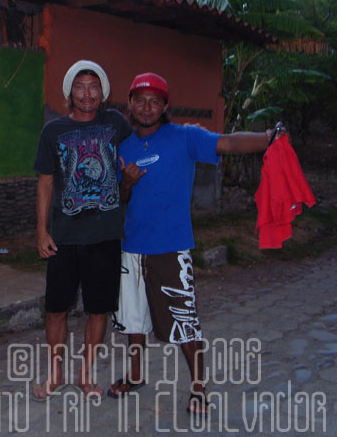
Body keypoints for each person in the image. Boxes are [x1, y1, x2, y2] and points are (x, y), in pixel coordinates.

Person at [108, 72, 283, 415]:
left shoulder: (185, 137)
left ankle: (199, 386)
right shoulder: (122, 147)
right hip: (132, 247)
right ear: (130, 104)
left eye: (154, 101)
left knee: (184, 320)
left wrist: (268, 138)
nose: (147, 107)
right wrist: (126, 183)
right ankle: (136, 374)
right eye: (140, 100)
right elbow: (121, 198)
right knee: (132, 319)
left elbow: (228, 143)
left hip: (172, 247)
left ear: (165, 106)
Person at [33, 60, 132, 399]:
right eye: (80, 86)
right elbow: (45, 182)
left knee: (98, 310)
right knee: (55, 310)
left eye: (93, 86)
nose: (87, 93)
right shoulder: (52, 131)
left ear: (102, 92)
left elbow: (142, 146)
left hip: (104, 236)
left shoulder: (116, 123)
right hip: (64, 236)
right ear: (69, 93)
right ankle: (55, 374)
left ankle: (85, 375)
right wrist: (41, 231)